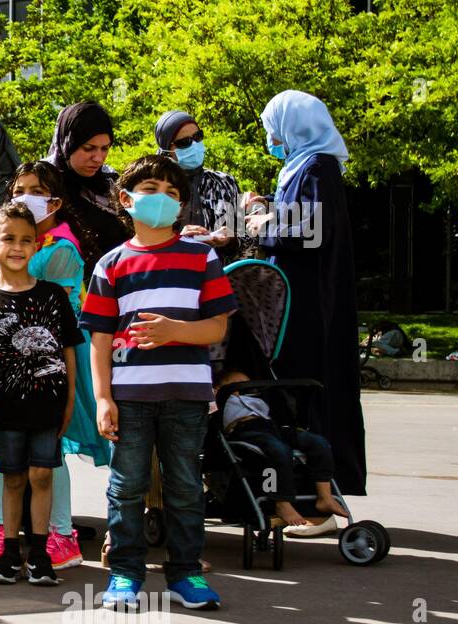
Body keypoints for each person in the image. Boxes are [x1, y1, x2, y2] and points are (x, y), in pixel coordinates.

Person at [81, 154, 237, 612]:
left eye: (173, 193)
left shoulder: (201, 256)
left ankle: (186, 572)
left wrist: (176, 331)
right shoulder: (110, 264)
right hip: (129, 397)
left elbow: (216, 329)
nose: (162, 199)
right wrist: (103, 398)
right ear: (126, 200)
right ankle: (125, 574)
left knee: (185, 485)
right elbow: (100, 339)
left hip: (187, 395)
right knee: (126, 485)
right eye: (151, 190)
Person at [0, 161, 111, 570]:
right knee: (9, 454)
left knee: (54, 453)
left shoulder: (60, 248)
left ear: (56, 201)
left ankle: (61, 533)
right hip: (11, 365)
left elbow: (25, 287)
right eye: (21, 189)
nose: (27, 197)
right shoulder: (32, 242)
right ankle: (8, 533)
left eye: (38, 190)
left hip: (54, 364)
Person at [250, 90, 366, 527]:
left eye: (273, 127)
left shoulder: (319, 167)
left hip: (309, 304)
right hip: (296, 297)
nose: (271, 136)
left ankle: (316, 502)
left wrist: (265, 227)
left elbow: (313, 230)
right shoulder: (301, 166)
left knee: (305, 389)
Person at [0, 201, 79, 585]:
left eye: (26, 240)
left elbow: (67, 351)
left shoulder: (53, 297)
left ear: (37, 245)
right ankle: (10, 552)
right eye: (8, 238)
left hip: (48, 407)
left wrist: (69, 401)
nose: (17, 247)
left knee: (42, 475)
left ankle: (42, 553)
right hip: (6, 410)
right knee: (11, 479)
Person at [217, 367, 350, 527]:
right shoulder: (220, 398)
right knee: (279, 450)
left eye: (247, 384)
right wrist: (219, 392)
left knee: (318, 442)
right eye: (237, 384)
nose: (244, 387)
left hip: (270, 426)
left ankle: (325, 497)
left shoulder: (255, 400)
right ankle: (281, 502)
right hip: (244, 428)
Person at [45, 101, 131, 279]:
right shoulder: (43, 184)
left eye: (105, 148)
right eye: (88, 148)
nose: (98, 158)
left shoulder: (112, 183)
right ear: (68, 143)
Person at [153, 110, 253, 262]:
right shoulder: (153, 189)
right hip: (171, 278)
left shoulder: (225, 182)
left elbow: (246, 240)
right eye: (184, 142)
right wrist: (178, 240)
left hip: (219, 277)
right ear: (167, 148)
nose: (194, 145)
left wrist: (232, 238)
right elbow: (143, 243)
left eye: (198, 137)